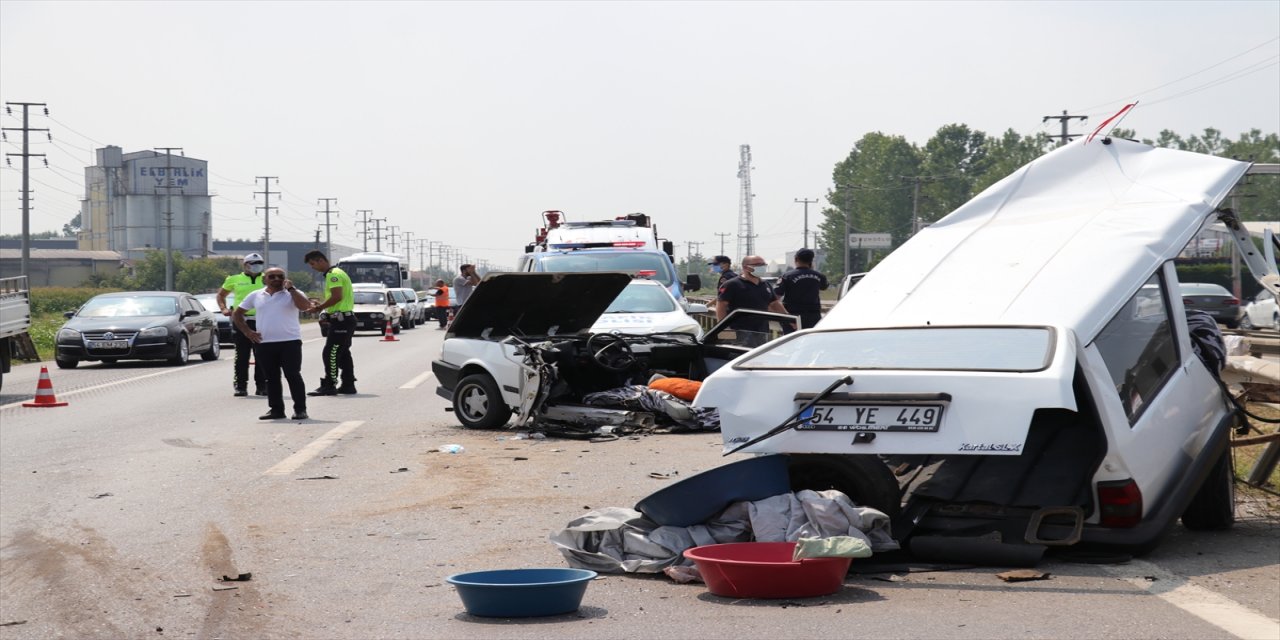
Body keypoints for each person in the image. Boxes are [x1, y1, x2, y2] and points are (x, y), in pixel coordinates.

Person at [232, 267, 312, 421]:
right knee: (272, 378)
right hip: (265, 343)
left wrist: (292, 289)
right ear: (265, 279)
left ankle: (300, 409)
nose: (276, 279)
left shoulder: (293, 294)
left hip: (290, 342)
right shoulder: (256, 295)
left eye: (280, 276)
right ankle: (276, 409)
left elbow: (305, 306)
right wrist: (248, 332)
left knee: (293, 375)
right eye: (272, 276)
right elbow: (237, 314)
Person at [303, 250, 357, 396]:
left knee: (330, 353)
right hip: (344, 318)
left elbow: (337, 296)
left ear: (321, 260)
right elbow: (337, 298)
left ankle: (330, 384)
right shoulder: (337, 272)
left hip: (341, 320)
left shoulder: (333, 275)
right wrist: (324, 305)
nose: (312, 267)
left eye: (313, 264)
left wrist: (319, 308)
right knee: (343, 352)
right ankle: (348, 384)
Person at [217, 253, 268, 397]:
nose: (257, 265)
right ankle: (240, 385)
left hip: (261, 320)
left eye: (259, 262)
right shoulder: (234, 279)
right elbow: (221, 295)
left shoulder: (267, 278)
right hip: (241, 320)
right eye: (253, 263)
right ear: (245, 265)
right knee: (242, 355)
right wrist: (224, 308)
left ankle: (262, 385)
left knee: (262, 355)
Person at [716, 255, 789, 347]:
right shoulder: (732, 284)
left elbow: (774, 304)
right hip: (739, 332)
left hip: (762, 332)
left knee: (759, 357)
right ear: (746, 267)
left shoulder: (765, 285)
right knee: (741, 357)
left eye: (764, 264)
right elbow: (721, 306)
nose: (762, 267)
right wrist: (725, 329)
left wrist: (789, 319)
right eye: (758, 265)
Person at [776, 248, 829, 329]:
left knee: (791, 340)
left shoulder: (787, 276)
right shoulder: (819, 276)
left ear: (796, 259)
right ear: (811, 261)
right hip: (814, 317)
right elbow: (824, 287)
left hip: (793, 317)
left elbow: (776, 296)